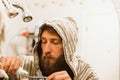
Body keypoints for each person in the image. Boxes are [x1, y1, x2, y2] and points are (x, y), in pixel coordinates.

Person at [0, 17, 99, 80]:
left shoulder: (86, 73)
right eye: (43, 41)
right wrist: (3, 63)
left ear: (68, 47)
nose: (46, 49)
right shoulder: (25, 64)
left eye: (54, 42)